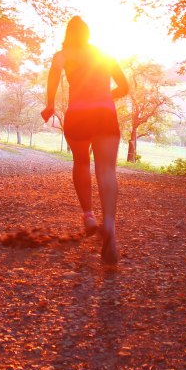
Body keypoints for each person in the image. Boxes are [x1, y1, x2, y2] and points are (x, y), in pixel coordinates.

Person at [41, 16, 129, 265]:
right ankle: (109, 225)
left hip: (77, 115)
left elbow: (53, 79)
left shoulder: (62, 54)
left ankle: (89, 216)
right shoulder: (104, 55)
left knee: (81, 162)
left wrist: (49, 104)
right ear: (88, 34)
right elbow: (125, 87)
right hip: (105, 114)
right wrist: (104, 95)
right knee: (107, 169)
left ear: (68, 33)